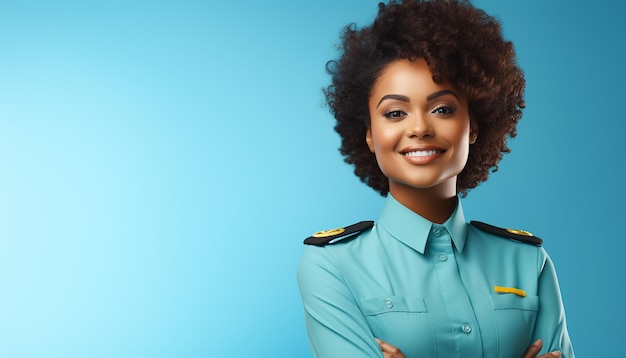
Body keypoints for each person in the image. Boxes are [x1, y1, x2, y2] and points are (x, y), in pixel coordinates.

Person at [296, 0, 574, 357]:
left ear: (473, 125)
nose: (420, 128)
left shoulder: (527, 262)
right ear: (368, 134)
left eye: (442, 109)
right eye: (394, 112)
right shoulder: (331, 266)